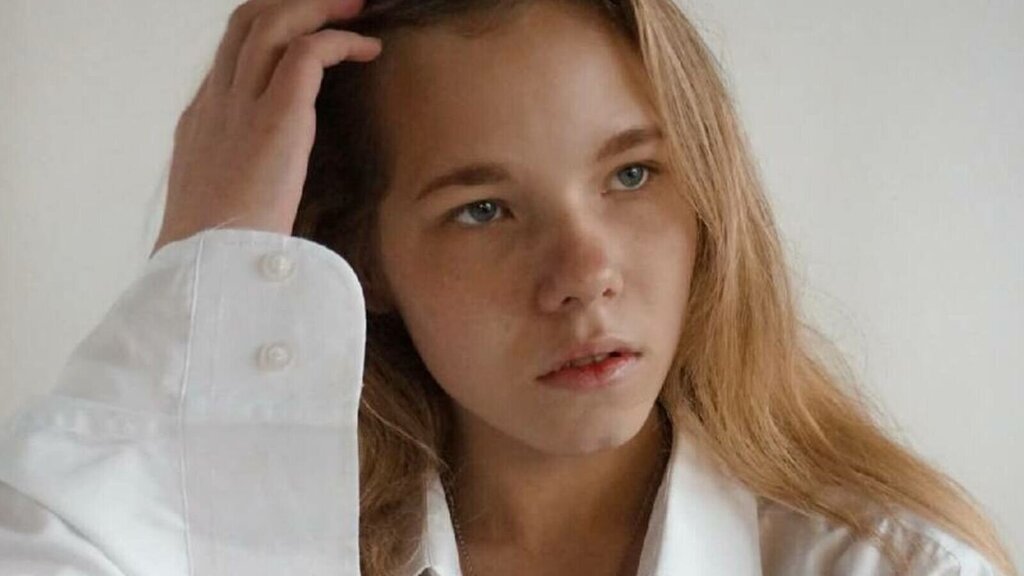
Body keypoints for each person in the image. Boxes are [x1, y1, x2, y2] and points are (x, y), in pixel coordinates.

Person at [0, 0, 1017, 574]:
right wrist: (204, 265)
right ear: (362, 260)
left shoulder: (891, 569)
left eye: (631, 176)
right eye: (483, 208)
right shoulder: (241, 545)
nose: (585, 276)